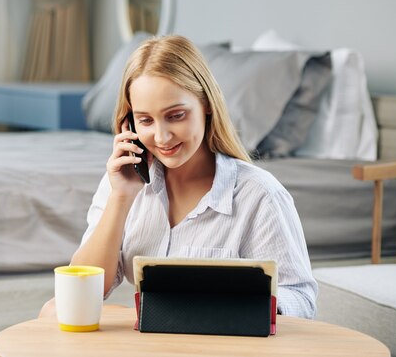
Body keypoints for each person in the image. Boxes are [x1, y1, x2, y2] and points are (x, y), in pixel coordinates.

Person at [53, 35, 317, 319]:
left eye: (176, 115)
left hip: (223, 343)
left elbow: (301, 300)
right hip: (153, 342)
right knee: (51, 310)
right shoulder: (123, 182)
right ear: (129, 123)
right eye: (145, 120)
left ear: (206, 105)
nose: (162, 136)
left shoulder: (260, 196)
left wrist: (231, 307)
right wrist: (121, 197)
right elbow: (79, 295)